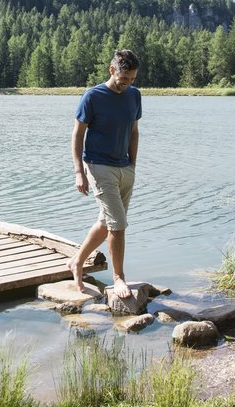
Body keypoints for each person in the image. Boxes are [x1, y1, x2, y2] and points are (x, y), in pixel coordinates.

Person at [67, 49, 141, 299]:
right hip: (98, 166)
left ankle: (76, 261)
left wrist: (133, 165)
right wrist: (79, 171)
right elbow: (78, 135)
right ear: (112, 70)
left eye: (132, 79)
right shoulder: (93, 96)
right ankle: (119, 278)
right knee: (118, 225)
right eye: (124, 79)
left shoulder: (134, 95)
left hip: (125, 167)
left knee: (106, 221)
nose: (128, 83)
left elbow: (134, 131)